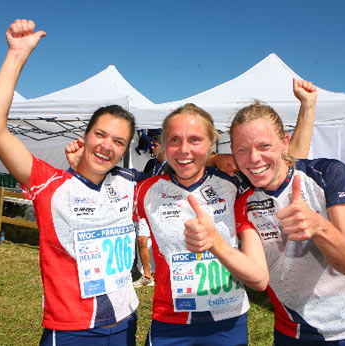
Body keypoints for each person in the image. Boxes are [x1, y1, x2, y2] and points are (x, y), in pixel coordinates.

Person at [0, 19, 144, 345]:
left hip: (126, 319)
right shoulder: (48, 183)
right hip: (71, 329)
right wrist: (17, 55)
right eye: (100, 134)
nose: (107, 146)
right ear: (85, 136)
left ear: (125, 149)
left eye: (118, 141)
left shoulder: (131, 183)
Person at [134, 80, 317, 345]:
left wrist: (307, 107)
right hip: (170, 321)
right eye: (174, 140)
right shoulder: (145, 189)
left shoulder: (232, 180)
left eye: (196, 140)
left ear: (211, 143)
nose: (184, 149)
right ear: (163, 144)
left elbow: (288, 163)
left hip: (228, 319)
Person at [227, 102, 345, 345]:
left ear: (284, 143)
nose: (254, 158)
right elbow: (258, 278)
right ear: (232, 151)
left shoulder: (327, 174)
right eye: (242, 149)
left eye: (264, 146)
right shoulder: (244, 202)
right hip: (294, 333)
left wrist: (318, 226)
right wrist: (214, 244)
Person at [134, 136, 173, 288]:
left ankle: (168, 273)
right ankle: (147, 275)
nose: (151, 147)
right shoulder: (151, 163)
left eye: (155, 145)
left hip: (165, 210)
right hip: (148, 208)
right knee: (142, 240)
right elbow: (144, 182)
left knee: (165, 242)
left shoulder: (173, 164)